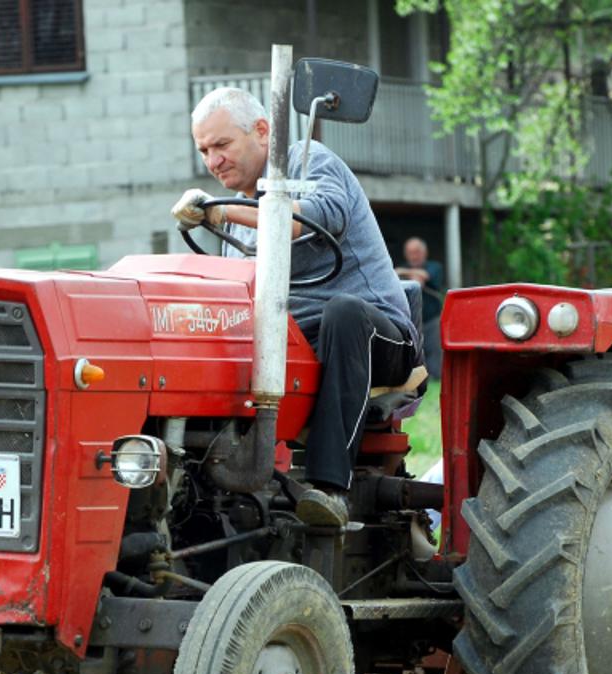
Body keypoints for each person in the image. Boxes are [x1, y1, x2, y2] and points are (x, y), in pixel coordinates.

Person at [171, 86, 422, 528]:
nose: (213, 161)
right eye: (204, 151)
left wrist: (223, 214)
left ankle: (329, 490)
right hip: (297, 347)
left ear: (263, 131)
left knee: (344, 312)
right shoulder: (238, 218)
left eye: (222, 145)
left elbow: (318, 215)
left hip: (378, 336)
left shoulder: (310, 161)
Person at [394, 237, 446, 378]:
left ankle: (437, 379)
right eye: (410, 252)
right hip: (410, 321)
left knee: (435, 353)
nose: (414, 256)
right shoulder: (403, 268)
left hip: (432, 319)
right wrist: (412, 275)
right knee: (413, 354)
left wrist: (406, 273)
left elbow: (426, 276)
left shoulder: (434, 266)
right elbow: (394, 273)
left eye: (417, 252)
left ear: (424, 252)